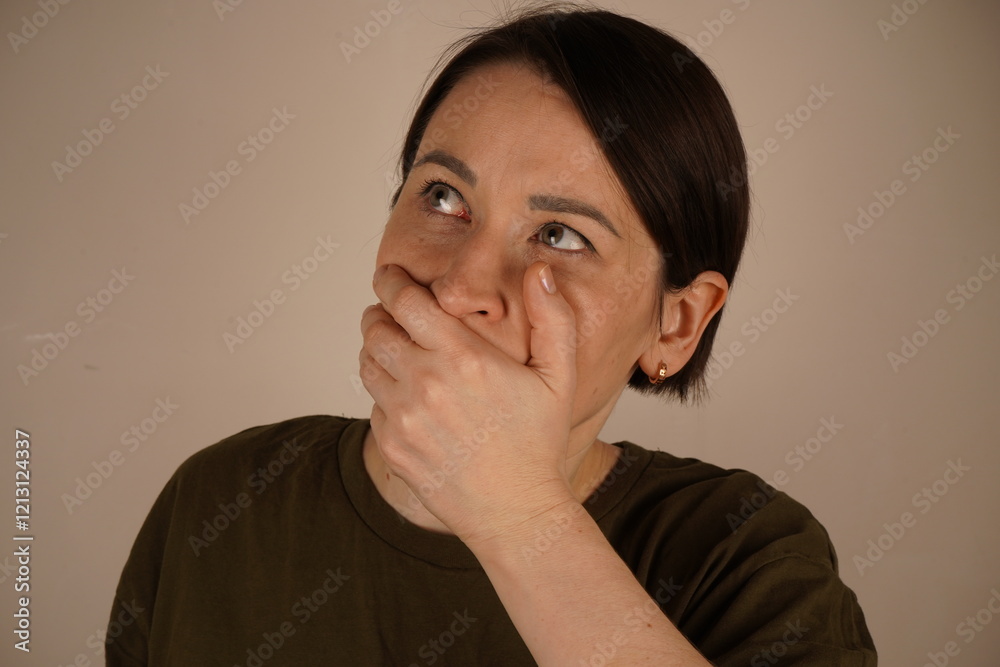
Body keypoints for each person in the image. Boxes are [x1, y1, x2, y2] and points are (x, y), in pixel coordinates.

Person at [106, 5, 877, 665]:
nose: (460, 287)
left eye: (561, 235)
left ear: (676, 324)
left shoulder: (745, 557)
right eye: (442, 195)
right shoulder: (216, 501)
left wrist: (519, 513)